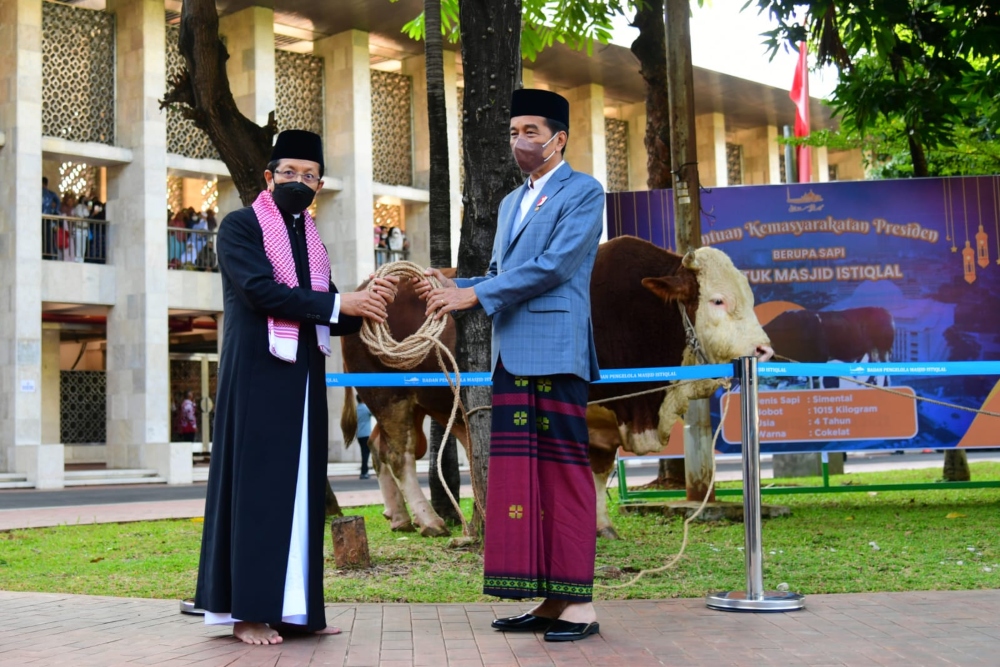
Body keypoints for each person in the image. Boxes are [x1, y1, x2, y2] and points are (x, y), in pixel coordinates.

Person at [195, 129, 398, 646]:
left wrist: (368, 299)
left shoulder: (311, 241)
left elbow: (329, 313)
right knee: (262, 491)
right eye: (289, 173)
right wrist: (338, 306)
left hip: (304, 376)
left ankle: (298, 611)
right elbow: (263, 293)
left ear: (320, 184)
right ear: (268, 176)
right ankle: (249, 612)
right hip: (260, 376)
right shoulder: (240, 227)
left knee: (303, 492)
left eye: (310, 176)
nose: (299, 182)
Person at [416, 89, 605, 642]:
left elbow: (554, 266)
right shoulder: (510, 202)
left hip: (556, 351)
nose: (519, 142)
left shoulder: (584, 192)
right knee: (523, 481)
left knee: (565, 477)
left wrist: (474, 298)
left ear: (558, 139)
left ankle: (580, 606)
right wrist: (457, 285)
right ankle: (548, 600)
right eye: (513, 131)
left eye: (530, 132)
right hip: (513, 355)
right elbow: (502, 270)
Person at [355, 396, 374, 480]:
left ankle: (364, 471)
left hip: (359, 434)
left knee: (364, 453)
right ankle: (364, 472)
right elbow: (374, 413)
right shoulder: (366, 408)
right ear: (363, 399)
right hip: (366, 434)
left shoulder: (356, 409)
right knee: (365, 454)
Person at [42, 177, 60, 259]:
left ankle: (45, 254)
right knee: (48, 238)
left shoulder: (47, 193)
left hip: (41, 218)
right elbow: (58, 203)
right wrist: (55, 211)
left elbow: (58, 203)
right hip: (48, 218)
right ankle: (47, 255)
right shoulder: (51, 194)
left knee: (45, 238)